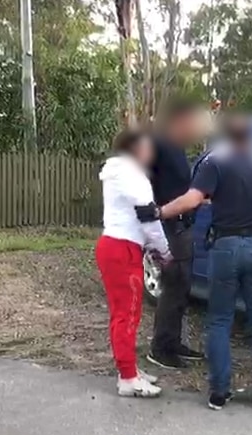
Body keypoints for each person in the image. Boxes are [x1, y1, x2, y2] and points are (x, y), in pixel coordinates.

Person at [135, 113, 252, 412]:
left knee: (220, 320)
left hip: (225, 249)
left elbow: (192, 199)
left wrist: (159, 212)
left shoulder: (215, 165)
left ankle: (219, 392)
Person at [95, 128, 172, 398]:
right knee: (126, 314)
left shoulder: (119, 172)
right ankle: (127, 377)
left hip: (117, 245)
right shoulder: (132, 174)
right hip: (122, 248)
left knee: (128, 312)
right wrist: (164, 250)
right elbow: (148, 215)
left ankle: (129, 369)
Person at [147, 99, 207, 370]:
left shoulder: (178, 148)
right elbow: (144, 180)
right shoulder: (158, 143)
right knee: (173, 285)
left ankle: (173, 341)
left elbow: (180, 186)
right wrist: (153, 216)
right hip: (168, 225)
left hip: (183, 224)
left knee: (182, 287)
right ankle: (160, 348)